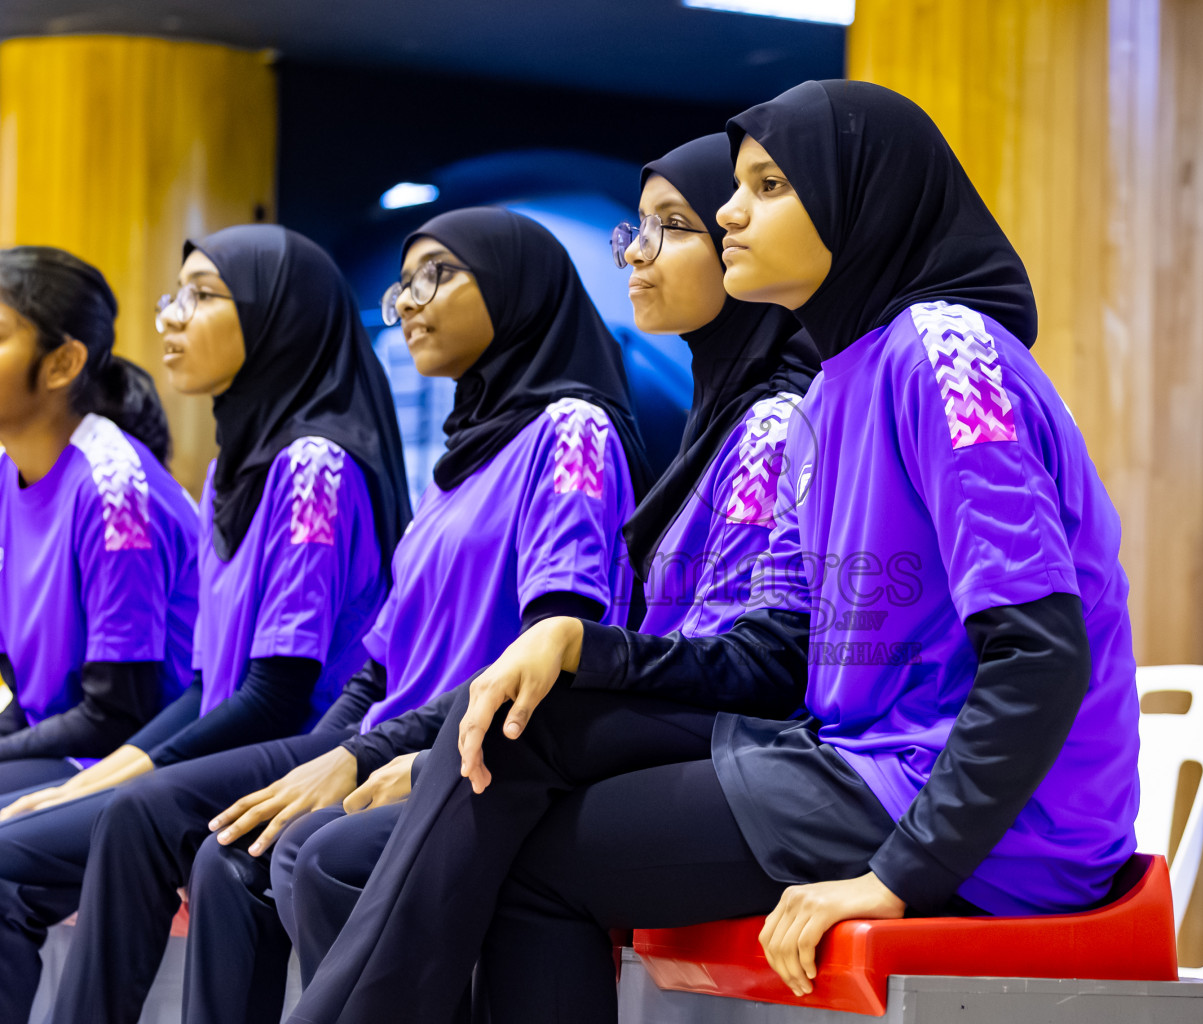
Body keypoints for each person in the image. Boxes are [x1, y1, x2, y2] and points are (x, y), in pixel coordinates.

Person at [293, 79, 1139, 1024]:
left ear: (860, 198)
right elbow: (781, 653)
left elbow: (1041, 650)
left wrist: (905, 870)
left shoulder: (946, 355)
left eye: (769, 185)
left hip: (985, 821)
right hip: (855, 761)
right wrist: (587, 648)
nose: (732, 211)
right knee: (511, 736)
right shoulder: (832, 391)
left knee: (524, 865)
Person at [263, 136, 819, 999]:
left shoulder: (647, 431)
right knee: (292, 845)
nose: (635, 252)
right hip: (663, 731)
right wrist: (370, 747)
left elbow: (749, 664)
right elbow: (378, 669)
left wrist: (428, 747)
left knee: (342, 848)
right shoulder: (711, 430)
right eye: (636, 228)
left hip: (749, 749)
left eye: (672, 227)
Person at [158, 206, 652, 1024]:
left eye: (438, 274)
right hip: (408, 746)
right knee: (231, 856)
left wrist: (374, 759)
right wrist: (343, 752)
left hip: (488, 757)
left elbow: (551, 644)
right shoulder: (461, 463)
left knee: (306, 857)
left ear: (515, 290)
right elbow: (378, 671)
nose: (410, 302)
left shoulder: (571, 432)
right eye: (404, 282)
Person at [0, 225, 412, 1023]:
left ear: (275, 319)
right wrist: (114, 768)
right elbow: (203, 687)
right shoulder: (235, 463)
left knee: (100, 826)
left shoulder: (313, 467)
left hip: (306, 743)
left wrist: (117, 773)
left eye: (202, 295)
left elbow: (277, 694)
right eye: (173, 295)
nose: (171, 318)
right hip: (229, 739)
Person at [0, 247, 199, 792]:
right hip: (62, 743)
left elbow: (116, 715)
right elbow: (29, 693)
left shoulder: (116, 492)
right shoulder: (7, 472)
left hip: (129, 764)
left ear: (63, 363)